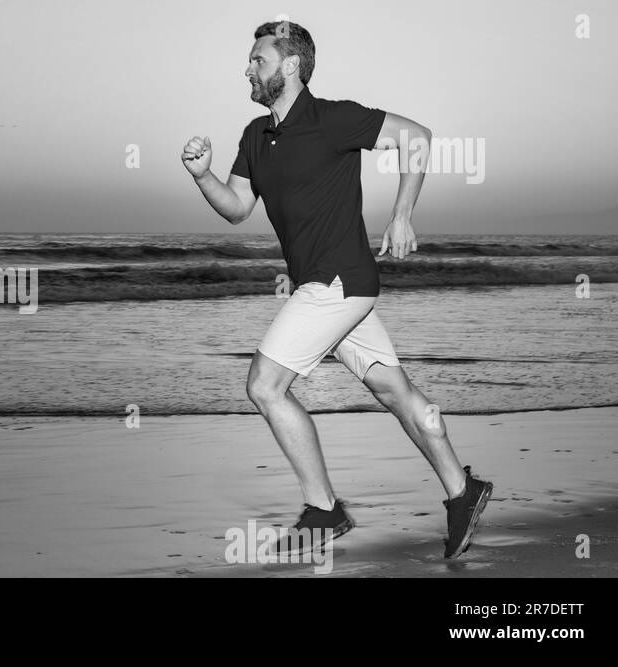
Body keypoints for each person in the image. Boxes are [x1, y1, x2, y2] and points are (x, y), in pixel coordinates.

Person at [180, 20, 492, 559]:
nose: (247, 68)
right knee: (395, 393)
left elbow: (416, 137)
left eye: (258, 59)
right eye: (250, 60)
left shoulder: (333, 119)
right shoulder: (256, 135)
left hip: (338, 282)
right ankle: (464, 492)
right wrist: (202, 175)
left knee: (265, 385)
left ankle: (323, 509)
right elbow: (236, 208)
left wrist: (401, 216)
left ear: (291, 66)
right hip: (331, 290)